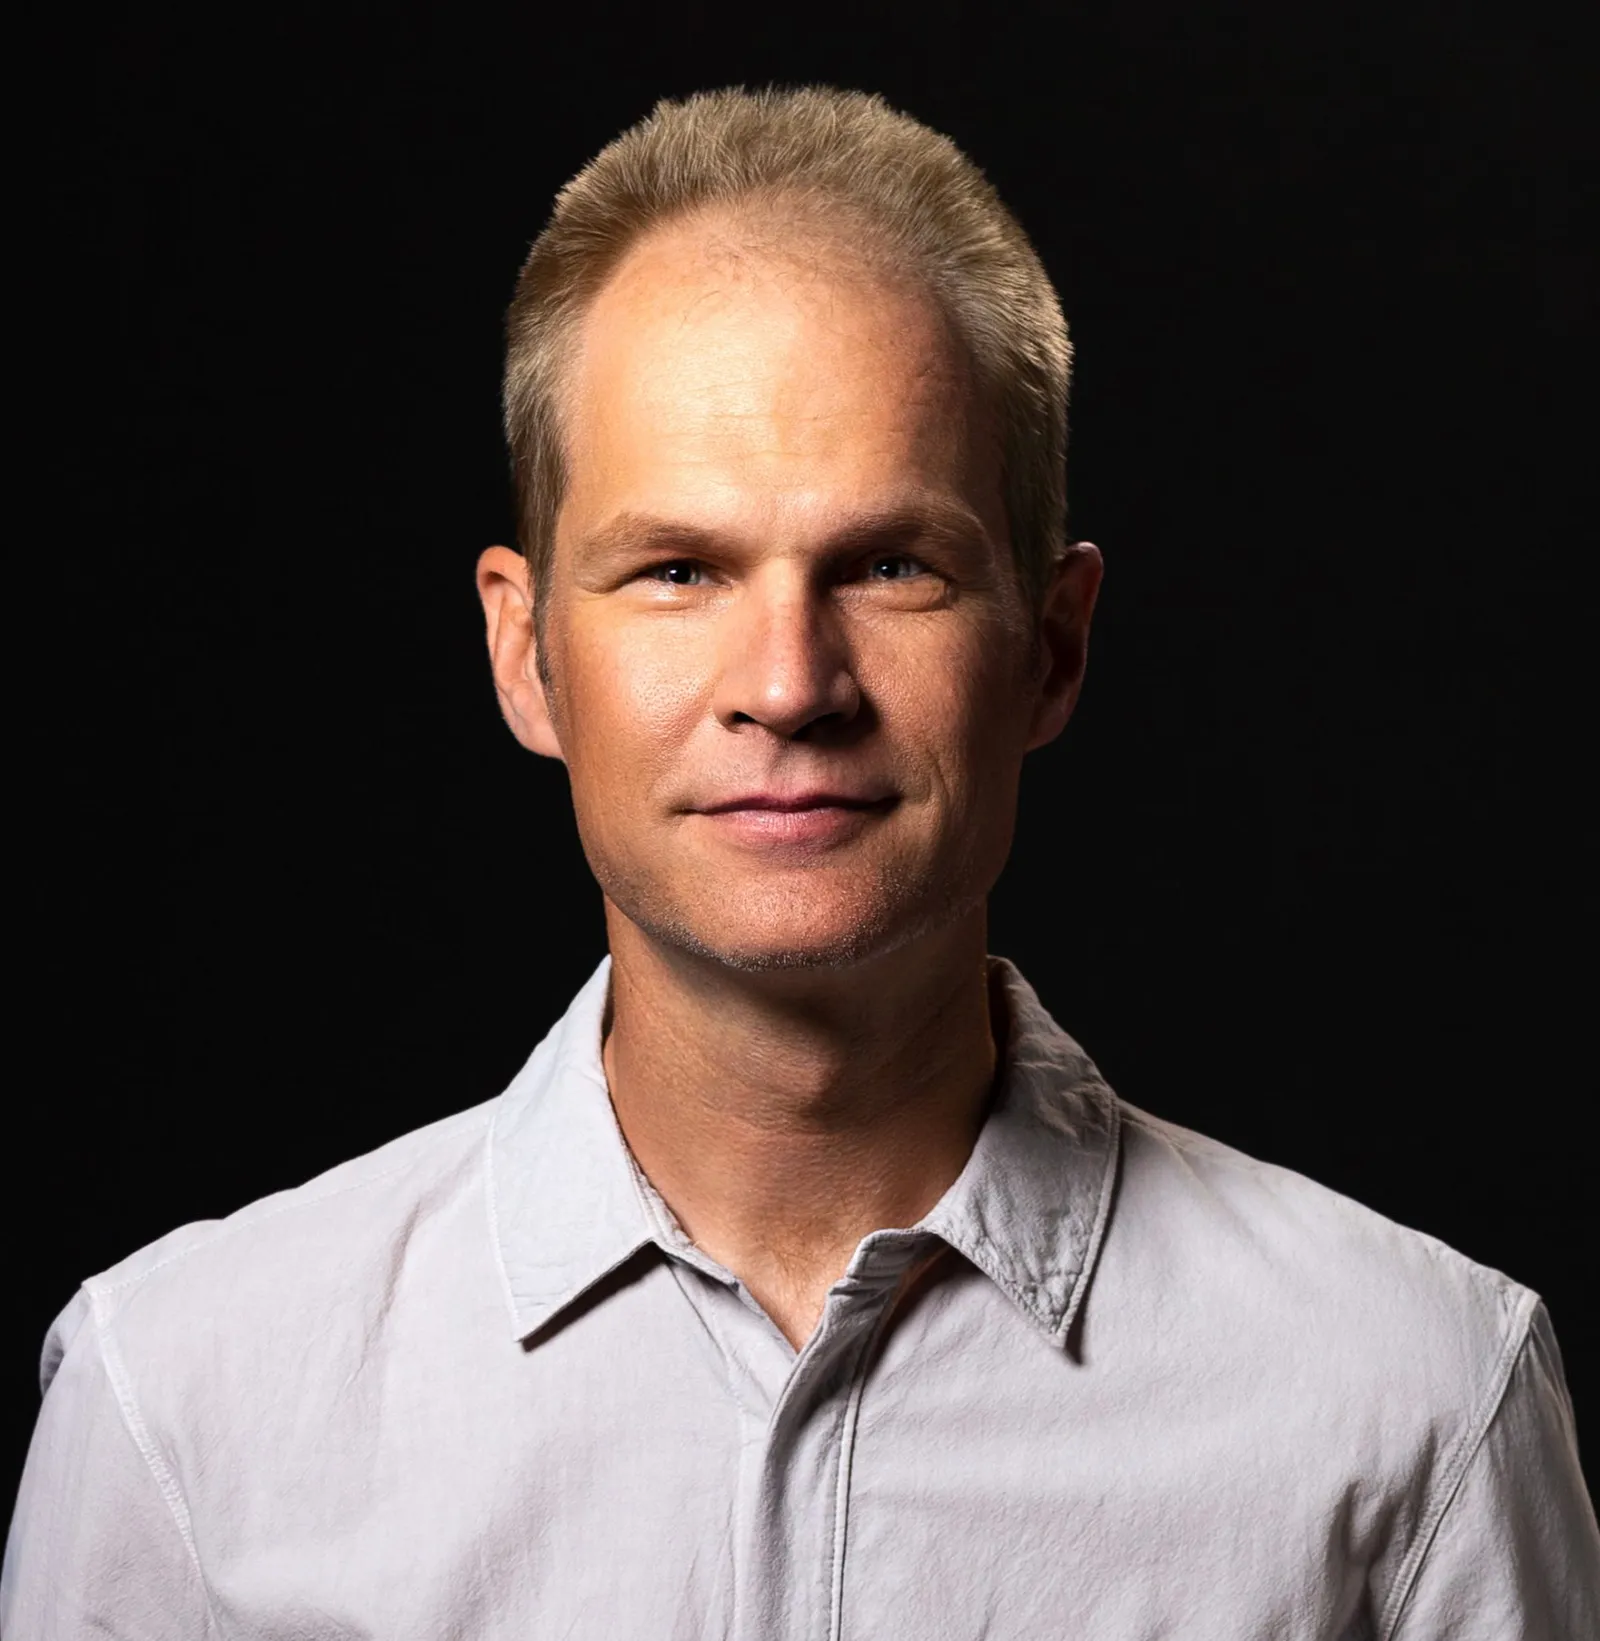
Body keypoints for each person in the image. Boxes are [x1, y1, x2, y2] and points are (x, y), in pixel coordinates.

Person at [4, 85, 1596, 1640]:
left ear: (1051, 647)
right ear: (524, 651)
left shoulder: (1416, 1407)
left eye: (892, 565)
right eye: (677, 568)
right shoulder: (184, 1414)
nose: (789, 681)